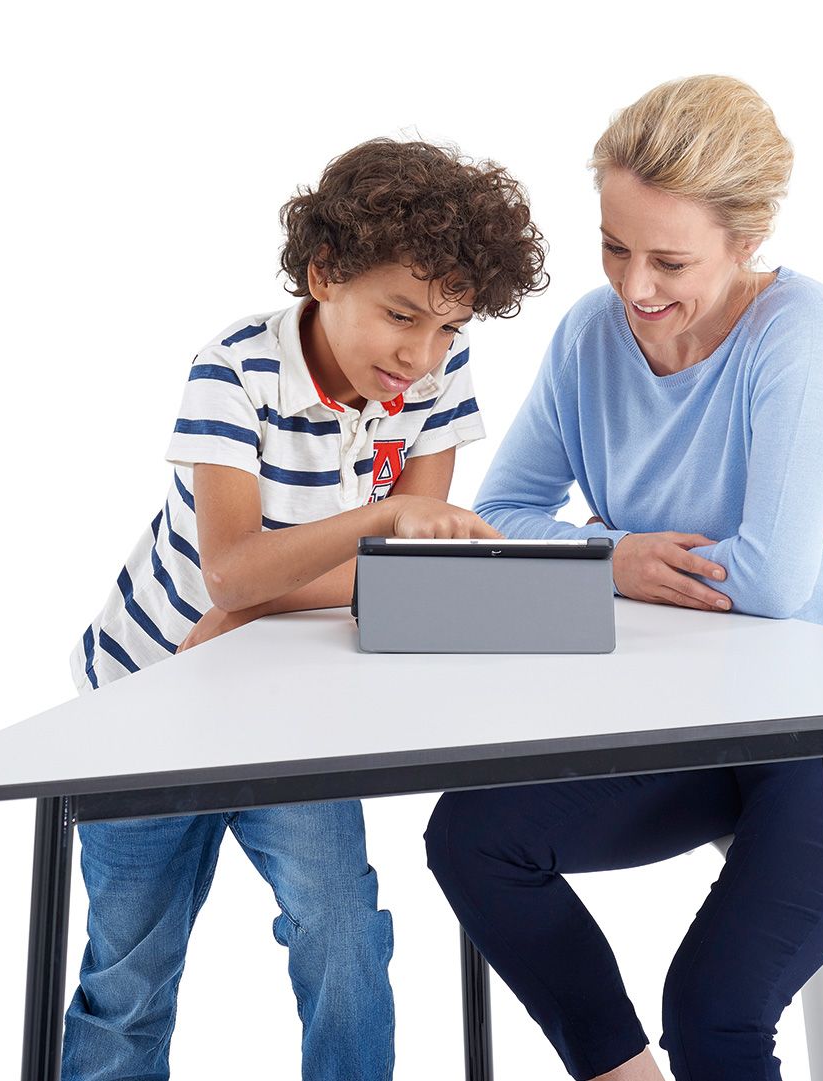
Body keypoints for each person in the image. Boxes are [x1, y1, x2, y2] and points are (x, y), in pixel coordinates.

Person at [425, 76, 823, 1081]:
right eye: (613, 247)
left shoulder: (800, 333)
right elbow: (492, 519)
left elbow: (770, 584)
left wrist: (580, 545)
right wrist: (615, 554)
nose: (635, 287)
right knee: (474, 839)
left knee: (715, 1006)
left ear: (745, 241)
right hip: (701, 715)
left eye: (669, 259)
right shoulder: (590, 334)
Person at [63, 138, 546, 1081]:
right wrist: (382, 519)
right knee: (132, 968)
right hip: (148, 697)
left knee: (344, 935)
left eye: (449, 326)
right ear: (325, 274)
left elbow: (408, 580)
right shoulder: (235, 368)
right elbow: (233, 569)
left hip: (287, 703)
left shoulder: (435, 377)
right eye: (401, 314)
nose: (421, 353)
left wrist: (268, 599)